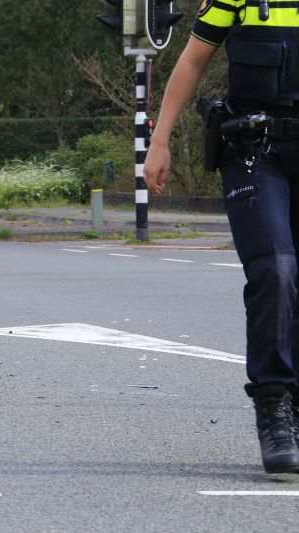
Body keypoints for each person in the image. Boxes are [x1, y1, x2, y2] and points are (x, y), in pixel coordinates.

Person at [144, 0, 299, 473]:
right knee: (275, 268)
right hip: (256, 151)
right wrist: (159, 140)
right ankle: (274, 403)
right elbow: (192, 60)